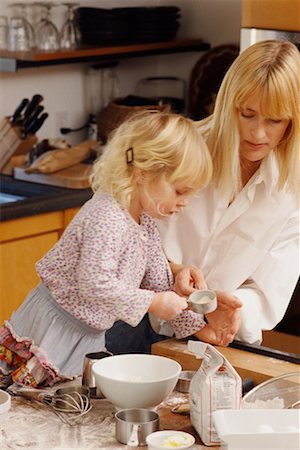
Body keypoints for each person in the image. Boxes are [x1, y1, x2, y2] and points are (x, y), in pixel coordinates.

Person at [106, 39, 299, 353]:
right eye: (247, 114)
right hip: (131, 321)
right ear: (227, 104)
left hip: (216, 338)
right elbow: (112, 233)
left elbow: (267, 293)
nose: (258, 134)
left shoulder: (292, 192)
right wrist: (172, 271)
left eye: (274, 120)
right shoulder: (179, 148)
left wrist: (231, 310)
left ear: (293, 122)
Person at [0, 110, 217, 388]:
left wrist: (199, 329)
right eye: (179, 190)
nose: (185, 202)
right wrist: (152, 303)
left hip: (86, 334)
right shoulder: (107, 216)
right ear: (143, 173)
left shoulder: (144, 222)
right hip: (52, 328)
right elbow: (93, 283)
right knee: (23, 401)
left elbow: (158, 280)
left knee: (63, 401)